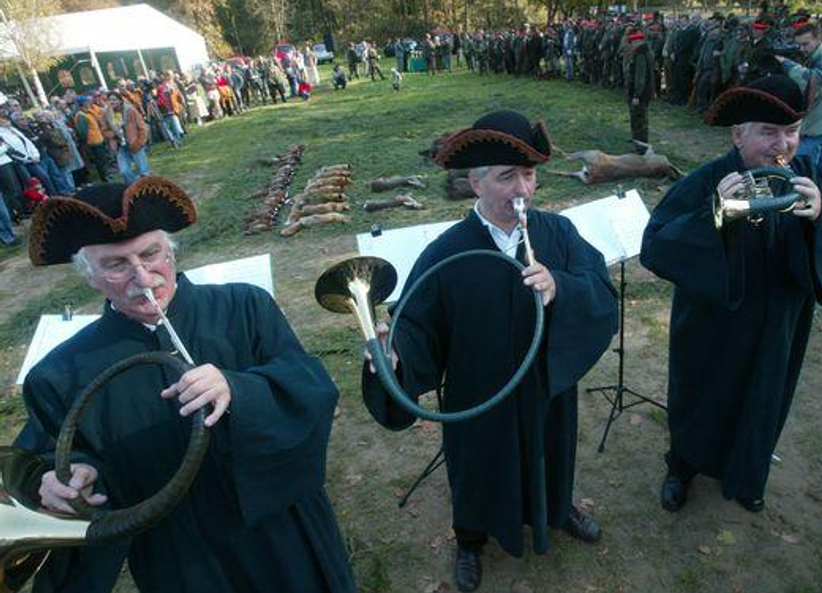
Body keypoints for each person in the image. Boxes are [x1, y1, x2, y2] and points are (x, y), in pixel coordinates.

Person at [16, 177, 356, 593]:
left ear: (170, 250)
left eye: (151, 254)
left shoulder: (244, 307)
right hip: (178, 555)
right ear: (90, 276)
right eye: (116, 265)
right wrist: (66, 478)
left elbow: (311, 388)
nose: (142, 276)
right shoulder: (60, 373)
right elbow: (48, 457)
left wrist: (238, 389)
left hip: (278, 529)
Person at [362, 110, 618, 592]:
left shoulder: (557, 233)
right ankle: (470, 538)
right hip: (479, 396)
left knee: (551, 453)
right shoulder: (446, 251)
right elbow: (416, 325)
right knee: (477, 468)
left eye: (528, 175)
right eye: (506, 178)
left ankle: (556, 510)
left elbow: (599, 290)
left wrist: (561, 287)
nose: (522, 190)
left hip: (546, 389)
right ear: (475, 182)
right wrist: (393, 356)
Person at [640, 75, 822, 514]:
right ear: (738, 134)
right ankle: (682, 468)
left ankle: (747, 474)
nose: (782, 145)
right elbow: (656, 246)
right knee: (700, 399)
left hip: (779, 327)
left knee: (763, 400)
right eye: (768, 132)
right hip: (713, 326)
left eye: (791, 132)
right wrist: (712, 215)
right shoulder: (710, 180)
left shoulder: (808, 176)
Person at [777, 23, 822, 170]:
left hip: (816, 126)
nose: (802, 49)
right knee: (819, 172)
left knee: (802, 169)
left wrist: (787, 64)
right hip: (820, 124)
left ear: (818, 39)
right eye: (799, 45)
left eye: (806, 44)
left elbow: (812, 83)